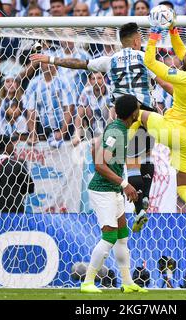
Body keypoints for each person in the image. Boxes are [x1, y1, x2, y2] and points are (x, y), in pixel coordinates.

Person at [30, 22, 172, 233]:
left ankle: (139, 207)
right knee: (148, 156)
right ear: (136, 41)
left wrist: (50, 59)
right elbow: (163, 82)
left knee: (131, 163)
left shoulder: (110, 60)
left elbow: (79, 63)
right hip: (147, 112)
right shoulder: (145, 58)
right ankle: (146, 198)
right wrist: (180, 96)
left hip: (125, 116)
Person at [138, 20, 186, 241]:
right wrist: (173, 30)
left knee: (135, 113)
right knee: (184, 189)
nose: (183, 54)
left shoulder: (182, 77)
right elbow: (182, 52)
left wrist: (154, 34)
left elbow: (150, 61)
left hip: (173, 132)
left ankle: (133, 174)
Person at [82, 94, 147, 294]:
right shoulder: (118, 132)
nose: (139, 111)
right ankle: (87, 282)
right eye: (138, 108)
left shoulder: (117, 127)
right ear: (132, 113)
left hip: (113, 190)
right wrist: (124, 183)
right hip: (103, 191)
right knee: (109, 236)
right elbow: (100, 164)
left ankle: (127, 282)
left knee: (122, 237)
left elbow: (95, 148)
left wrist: (122, 185)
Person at [23, 53, 74, 147]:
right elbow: (30, 110)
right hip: (43, 130)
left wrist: (62, 133)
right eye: (46, 62)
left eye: (52, 61)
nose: (49, 65)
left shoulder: (64, 82)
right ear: (41, 65)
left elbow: (69, 109)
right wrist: (33, 134)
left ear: (57, 65)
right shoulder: (34, 83)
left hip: (64, 128)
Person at [0, 134, 35, 213]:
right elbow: (30, 188)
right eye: (11, 143)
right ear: (6, 147)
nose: (13, 146)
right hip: (13, 213)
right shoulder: (16, 166)